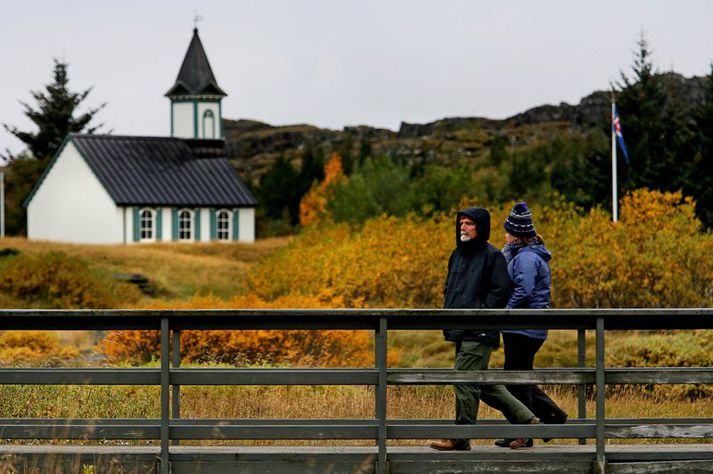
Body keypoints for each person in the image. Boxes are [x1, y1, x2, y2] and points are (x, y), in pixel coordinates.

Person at [430, 207, 539, 452]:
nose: (463, 227)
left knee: (464, 378)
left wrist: (480, 312)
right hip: (460, 328)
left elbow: (500, 291)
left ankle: (460, 438)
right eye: (461, 223)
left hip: (480, 329)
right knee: (482, 383)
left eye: (469, 223)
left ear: (480, 227)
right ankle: (526, 419)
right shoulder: (456, 255)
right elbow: (450, 287)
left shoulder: (492, 256)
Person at [494, 202, 568, 449]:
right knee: (519, 377)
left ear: (516, 234)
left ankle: (526, 431)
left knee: (516, 379)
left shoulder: (526, 258)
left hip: (523, 327)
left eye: (507, 232)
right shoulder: (523, 254)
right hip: (526, 327)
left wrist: (506, 312)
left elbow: (524, 290)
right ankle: (547, 418)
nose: (504, 235)